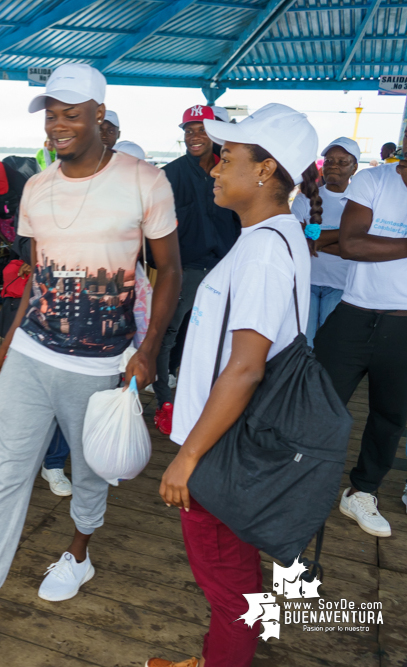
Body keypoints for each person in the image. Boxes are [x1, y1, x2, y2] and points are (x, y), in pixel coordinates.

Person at [0, 65, 182, 660]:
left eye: (71, 112)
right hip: (33, 354)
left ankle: (79, 553)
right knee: (6, 479)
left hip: (102, 365)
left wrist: (146, 353)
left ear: (100, 115)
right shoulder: (36, 188)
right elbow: (38, 281)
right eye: (51, 113)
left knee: (91, 476)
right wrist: (3, 351)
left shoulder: (145, 181)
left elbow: (168, 270)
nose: (58, 124)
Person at [152, 103, 318, 667]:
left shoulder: (266, 252)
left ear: (267, 171)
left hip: (221, 453)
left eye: (228, 157)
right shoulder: (274, 237)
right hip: (227, 438)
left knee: (231, 593)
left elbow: (246, 367)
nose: (216, 168)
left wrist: (188, 456)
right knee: (237, 581)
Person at [314, 144, 407, 539]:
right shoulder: (374, 180)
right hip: (354, 315)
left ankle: (361, 491)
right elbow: (352, 244)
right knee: (317, 405)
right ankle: (299, 481)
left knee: (391, 417)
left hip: (403, 326)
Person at [152, 105, 241, 436]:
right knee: (167, 333)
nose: (193, 136)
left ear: (219, 133)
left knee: (221, 337)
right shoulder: (169, 174)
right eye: (189, 130)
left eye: (201, 129)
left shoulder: (235, 170)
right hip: (185, 269)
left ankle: (216, 404)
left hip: (225, 269)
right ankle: (164, 400)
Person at [291, 137, 359, 345]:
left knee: (329, 346)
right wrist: (345, 236)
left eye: (342, 161)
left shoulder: (361, 202)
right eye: (329, 160)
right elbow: (296, 240)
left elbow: (357, 247)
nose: (334, 166)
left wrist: (317, 240)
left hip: (341, 285)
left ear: (354, 167)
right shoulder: (304, 199)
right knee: (306, 345)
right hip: (307, 282)